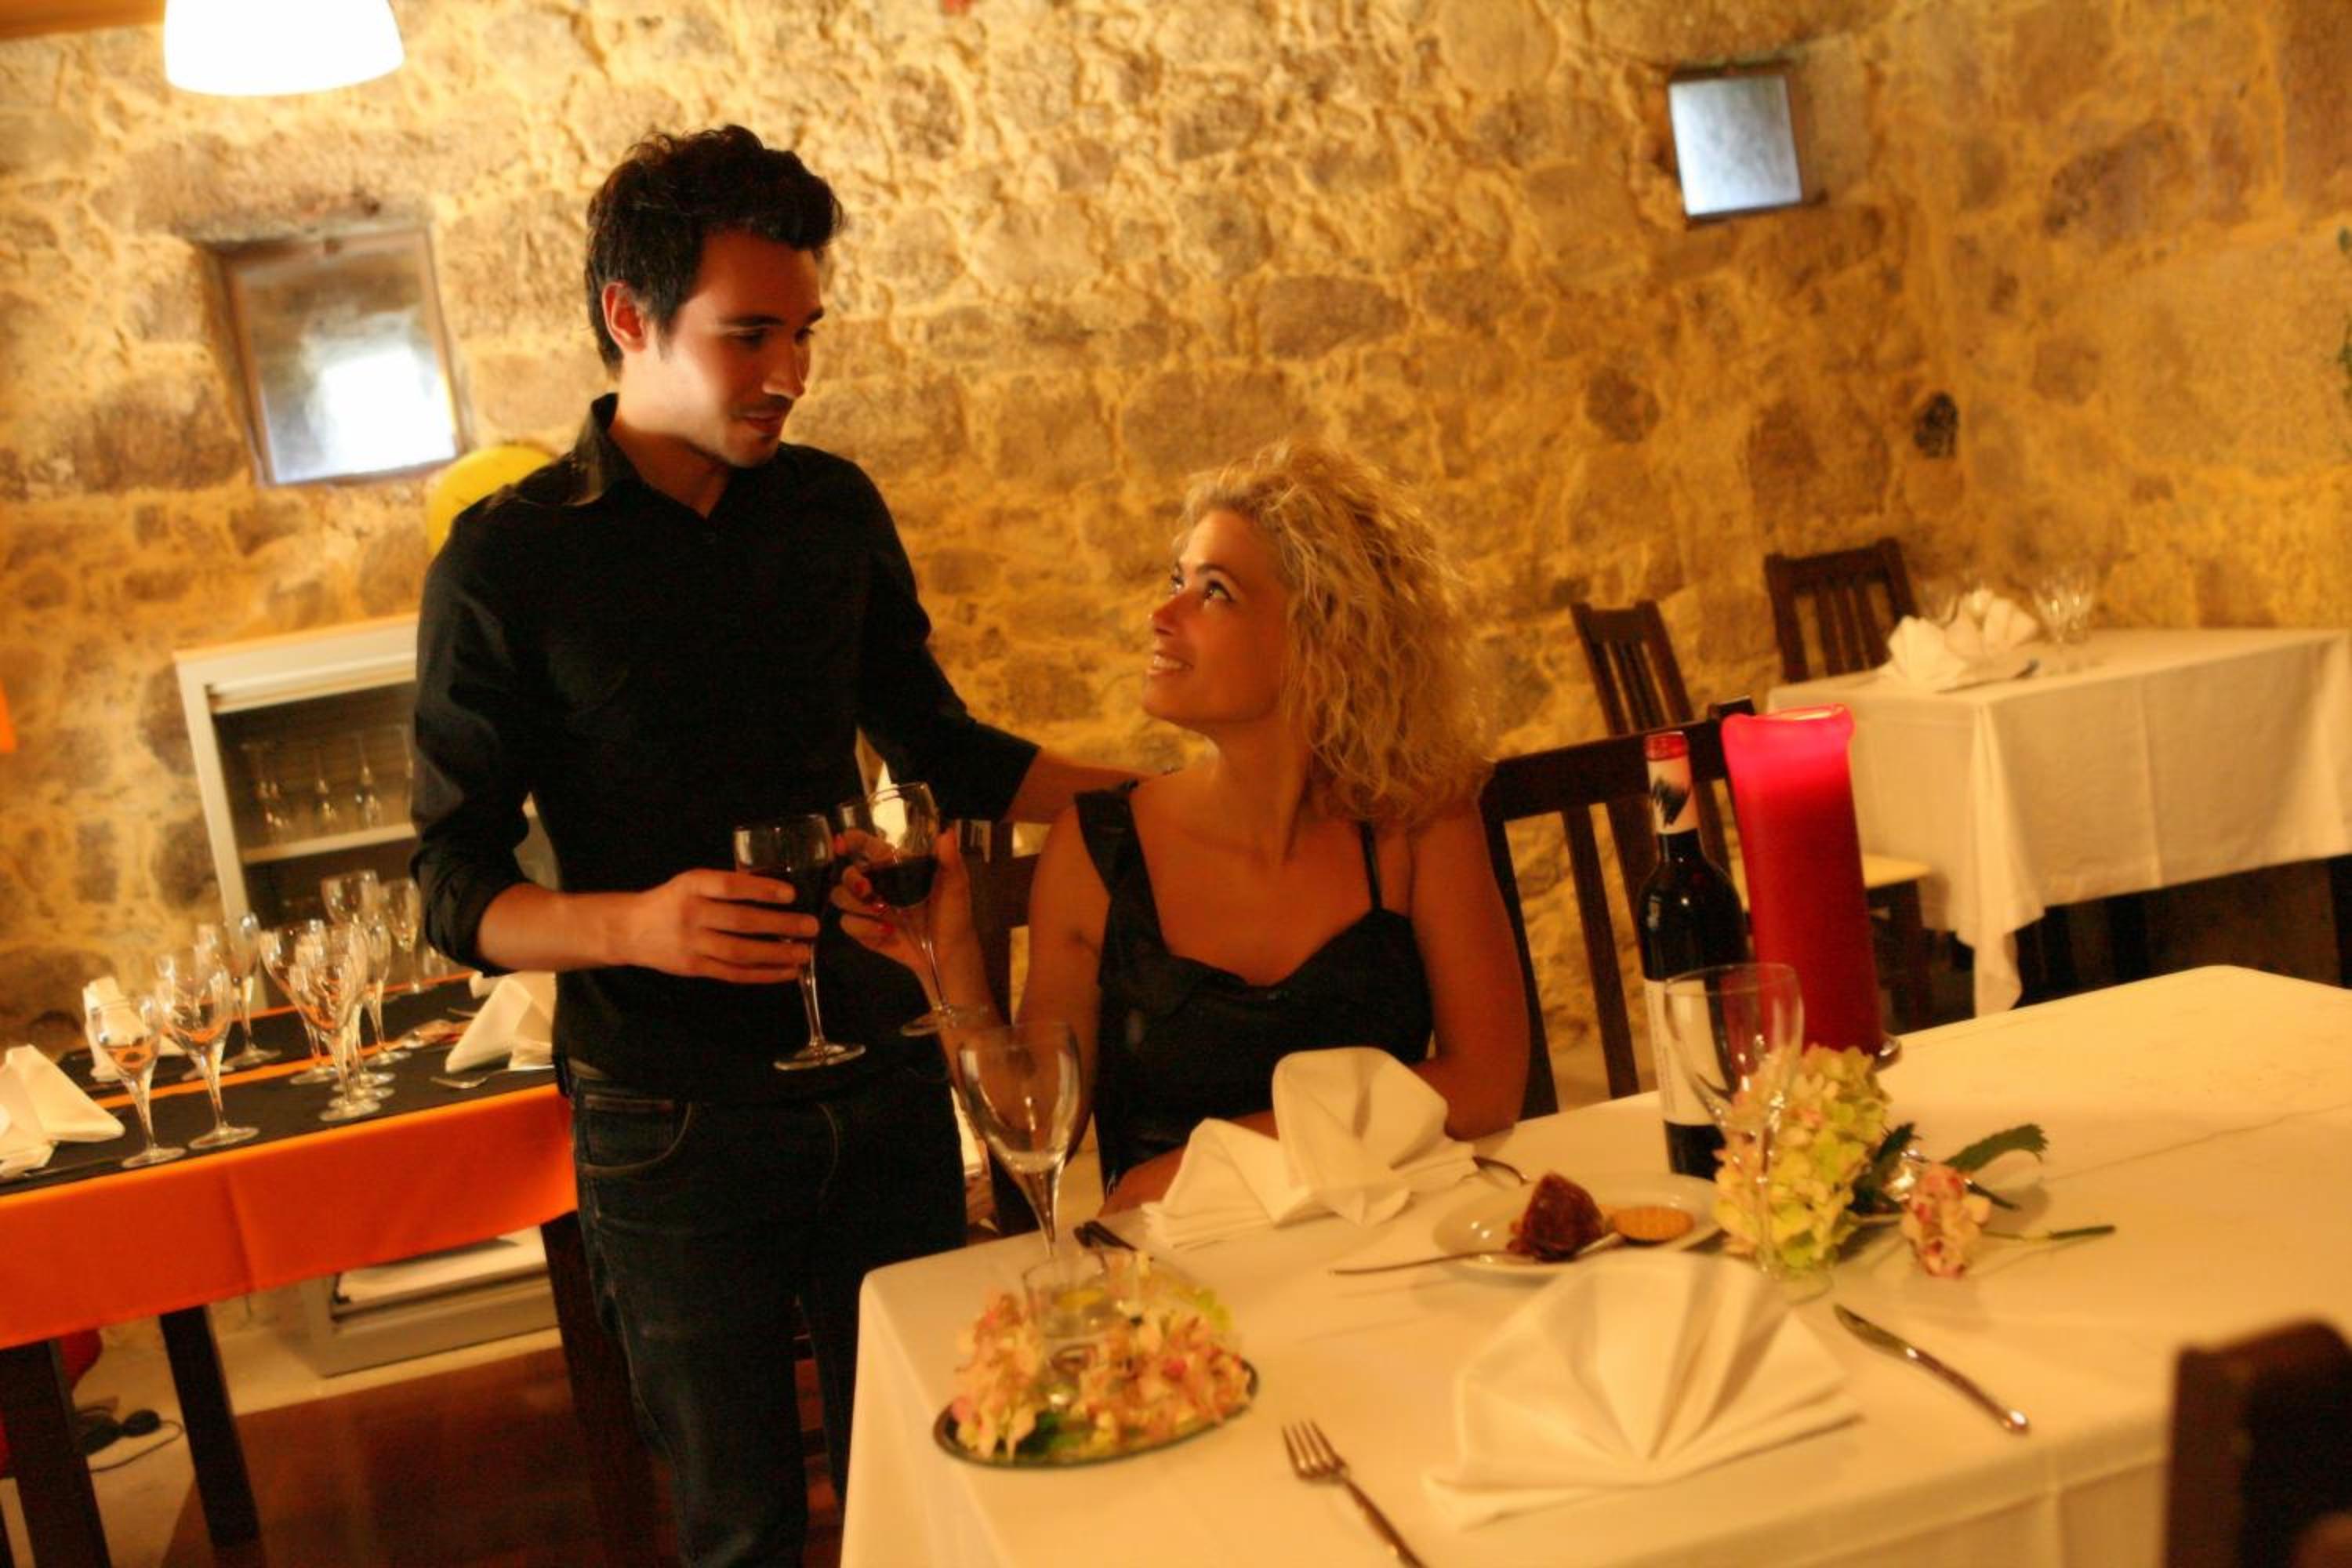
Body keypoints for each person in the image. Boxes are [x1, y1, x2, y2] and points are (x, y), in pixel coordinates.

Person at [411, 125, 1130, 1566]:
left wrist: (1160, 800)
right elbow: (453, 887)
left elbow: (945, 749)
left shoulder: (830, 508)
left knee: (935, 1489)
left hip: (881, 1075)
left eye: (805, 332)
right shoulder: (505, 560)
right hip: (668, 1115)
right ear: (630, 316)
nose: (791, 372)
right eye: (750, 335)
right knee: (740, 1530)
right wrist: (634, 925)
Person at [845, 439, 1529, 1211]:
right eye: (1178, 581)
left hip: (1385, 1241)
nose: (1162, 615)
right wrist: (952, 963)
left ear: (1324, 638)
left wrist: (1203, 1162)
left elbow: (1487, 1085)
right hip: (1177, 1269)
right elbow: (1037, 1124)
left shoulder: (1417, 819)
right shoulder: (1099, 847)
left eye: (1215, 592)